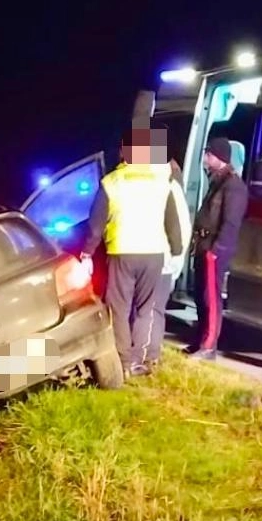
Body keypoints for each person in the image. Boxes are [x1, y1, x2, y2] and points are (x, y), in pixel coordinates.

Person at [82, 126, 183, 377]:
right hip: (153, 253)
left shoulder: (111, 182)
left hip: (122, 253)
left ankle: (124, 362)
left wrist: (86, 253)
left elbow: (96, 225)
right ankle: (140, 359)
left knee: (118, 307)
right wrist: (177, 247)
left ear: (124, 153)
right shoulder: (162, 182)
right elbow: (173, 221)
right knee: (146, 308)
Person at [186, 137, 248, 361]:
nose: (205, 158)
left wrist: (217, 249)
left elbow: (231, 223)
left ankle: (209, 346)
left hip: (214, 248)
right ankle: (199, 341)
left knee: (211, 298)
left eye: (208, 154)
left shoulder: (233, 186)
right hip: (204, 245)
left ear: (219, 157)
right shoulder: (218, 181)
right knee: (200, 296)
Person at [144, 158, 192, 369]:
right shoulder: (169, 188)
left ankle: (139, 357)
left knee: (144, 310)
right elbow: (181, 229)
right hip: (158, 259)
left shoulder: (158, 187)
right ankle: (147, 356)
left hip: (149, 258)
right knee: (151, 310)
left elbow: (178, 230)